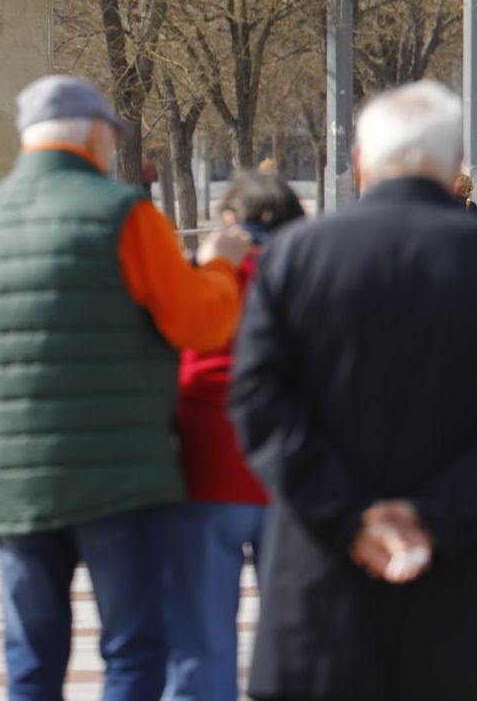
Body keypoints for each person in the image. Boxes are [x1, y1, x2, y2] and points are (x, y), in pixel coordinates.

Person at [231, 81, 477, 701]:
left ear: (361, 162)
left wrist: (350, 516)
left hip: (321, 575)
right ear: (455, 169)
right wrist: (434, 515)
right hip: (457, 575)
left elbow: (258, 401)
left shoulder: (295, 257)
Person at [0, 75, 249, 700]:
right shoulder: (123, 215)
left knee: (31, 654)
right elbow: (200, 322)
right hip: (119, 479)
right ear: (94, 135)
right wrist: (221, 262)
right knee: (133, 648)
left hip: (11, 481)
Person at [168, 171, 304, 701]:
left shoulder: (207, 275)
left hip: (205, 470)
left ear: (228, 219)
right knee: (294, 635)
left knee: (200, 643)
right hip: (287, 474)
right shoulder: (307, 274)